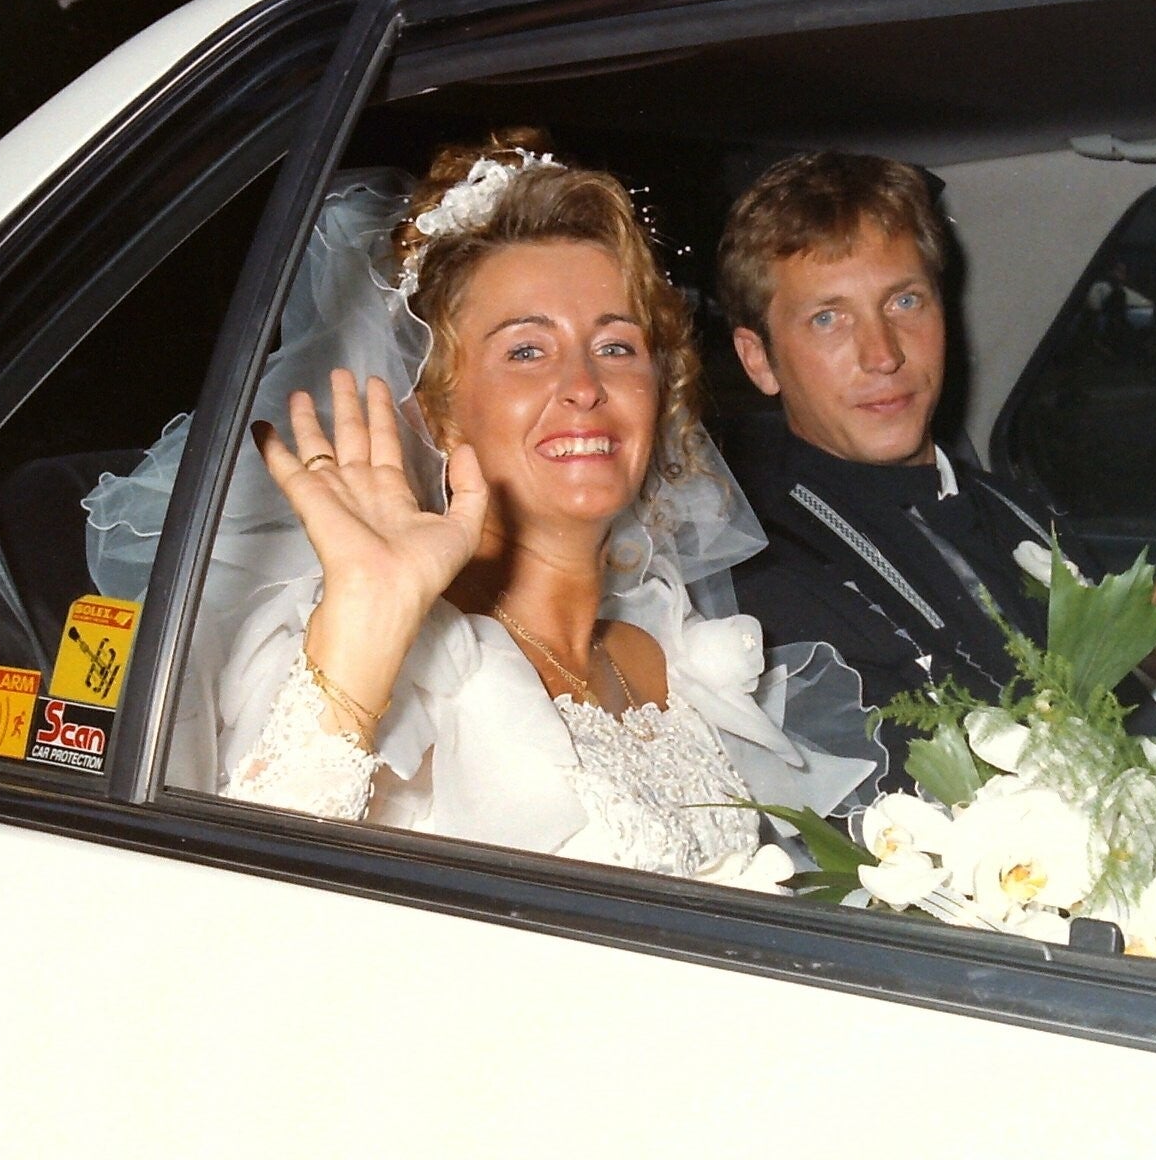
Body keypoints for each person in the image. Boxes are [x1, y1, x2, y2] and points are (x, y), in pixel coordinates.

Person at [83, 131, 874, 882]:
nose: (584, 386)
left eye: (616, 346)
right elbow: (245, 901)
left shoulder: (664, 655)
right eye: (526, 350)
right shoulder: (388, 657)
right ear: (440, 413)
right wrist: (368, 617)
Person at [714, 151, 1156, 791]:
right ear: (759, 359)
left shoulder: (1016, 507)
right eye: (828, 318)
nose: (883, 354)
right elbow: (948, 810)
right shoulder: (768, 578)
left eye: (905, 301)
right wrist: (1148, 648)